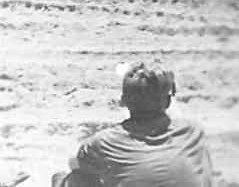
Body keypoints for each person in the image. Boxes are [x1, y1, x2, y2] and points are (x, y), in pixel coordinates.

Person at [56, 62, 214, 187]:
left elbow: (75, 163)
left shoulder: (102, 143)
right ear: (167, 102)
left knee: (68, 179)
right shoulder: (193, 132)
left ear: (122, 101)